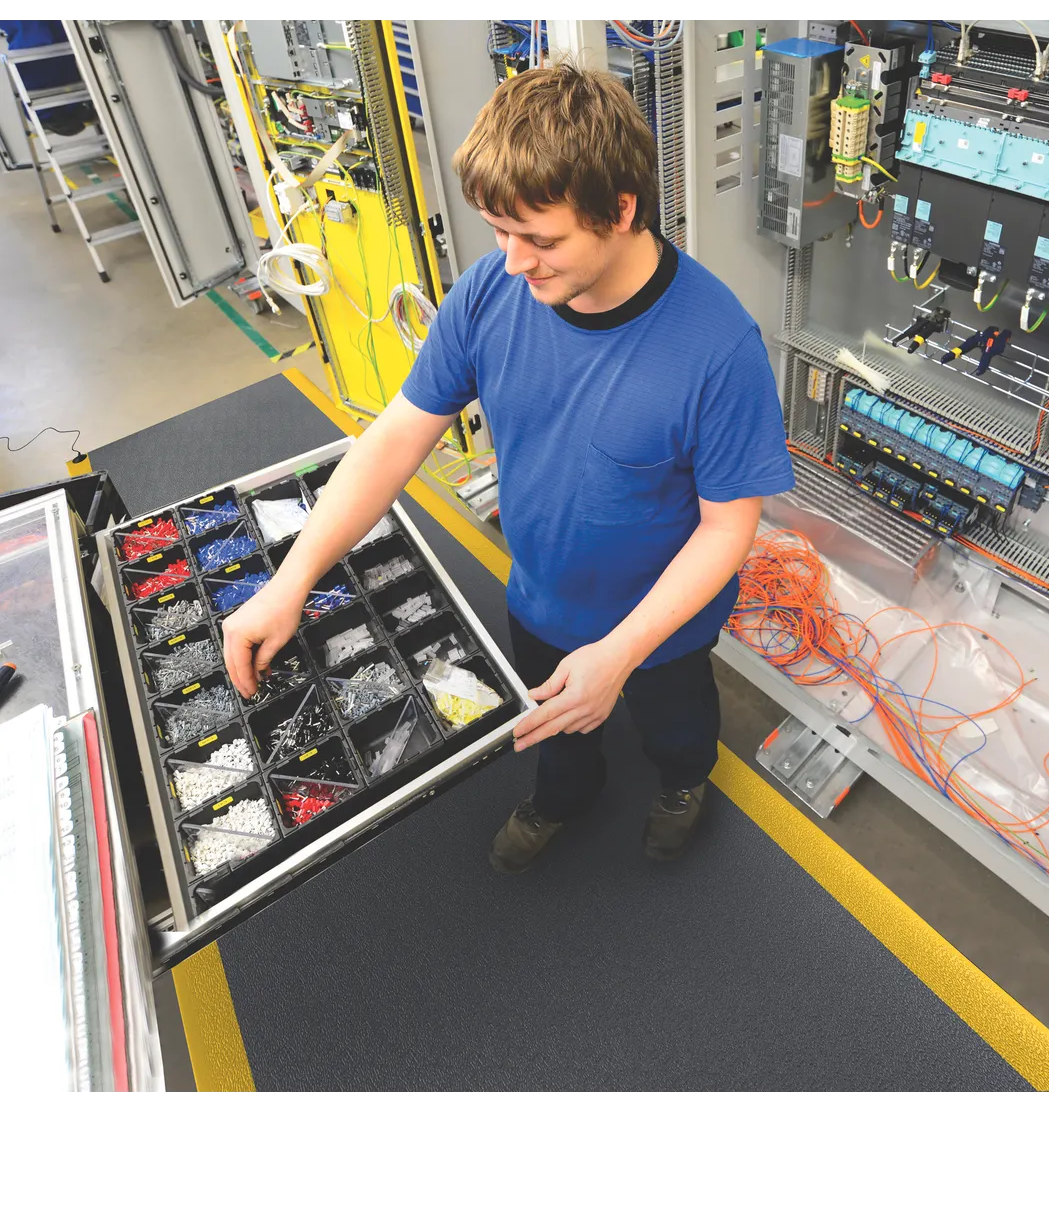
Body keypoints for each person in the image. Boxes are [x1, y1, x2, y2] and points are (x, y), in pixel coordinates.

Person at [222, 62, 793, 870]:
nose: (515, 261)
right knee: (553, 731)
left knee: (678, 729)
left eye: (542, 239)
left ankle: (680, 785)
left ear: (622, 209)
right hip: (539, 600)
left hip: (663, 627)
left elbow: (727, 529)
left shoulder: (718, 348)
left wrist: (622, 652)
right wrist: (292, 579)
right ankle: (565, 795)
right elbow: (397, 435)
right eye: (499, 231)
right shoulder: (490, 292)